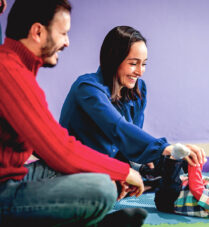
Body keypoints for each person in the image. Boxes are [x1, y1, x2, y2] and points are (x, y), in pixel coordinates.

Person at [0, 0, 148, 226]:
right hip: (3, 191)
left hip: (14, 176)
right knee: (101, 189)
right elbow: (60, 149)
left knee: (92, 173)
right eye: (63, 33)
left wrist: (114, 170)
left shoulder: (17, 70)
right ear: (38, 32)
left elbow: (55, 149)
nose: (67, 42)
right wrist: (122, 172)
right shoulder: (9, 73)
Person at [59, 26, 204, 179]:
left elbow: (132, 136)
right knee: (110, 186)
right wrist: (165, 148)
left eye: (144, 64)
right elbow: (118, 127)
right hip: (82, 165)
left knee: (178, 164)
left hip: (115, 159)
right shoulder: (87, 88)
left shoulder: (138, 88)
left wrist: (149, 156)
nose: (140, 72)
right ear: (113, 60)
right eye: (134, 63)